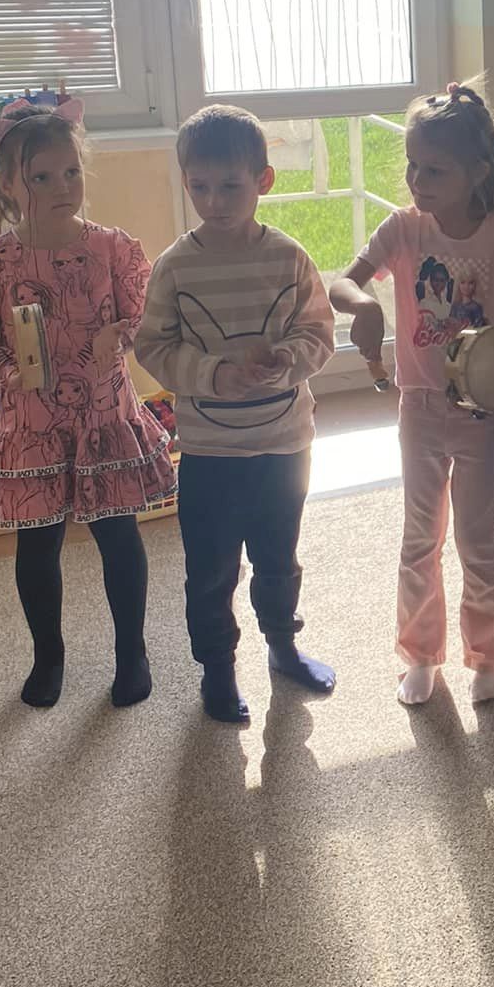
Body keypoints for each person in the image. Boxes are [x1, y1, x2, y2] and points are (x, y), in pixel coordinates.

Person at [0, 97, 176, 710]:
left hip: (104, 415)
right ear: (7, 183)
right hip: (32, 423)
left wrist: (120, 336)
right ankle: (48, 655)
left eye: (72, 172)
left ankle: (132, 653)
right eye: (42, 177)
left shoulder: (112, 249)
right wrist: (10, 372)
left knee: (118, 534)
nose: (62, 187)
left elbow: (145, 314)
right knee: (37, 544)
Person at [332, 82, 494, 707]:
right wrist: (365, 304)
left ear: (477, 172)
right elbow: (343, 283)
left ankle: (491, 654)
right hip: (419, 407)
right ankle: (420, 655)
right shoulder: (403, 229)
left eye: (435, 169)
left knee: (478, 537)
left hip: (479, 413)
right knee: (420, 538)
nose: (417, 180)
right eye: (412, 165)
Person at [134, 105, 336, 725]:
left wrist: (286, 361)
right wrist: (214, 374)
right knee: (210, 571)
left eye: (230, 186)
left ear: (263, 181)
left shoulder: (289, 257)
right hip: (210, 453)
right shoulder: (175, 266)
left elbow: (319, 332)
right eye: (199, 187)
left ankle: (282, 646)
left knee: (279, 559)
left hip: (283, 445)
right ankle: (217, 670)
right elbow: (153, 347)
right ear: (186, 182)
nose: (214, 201)